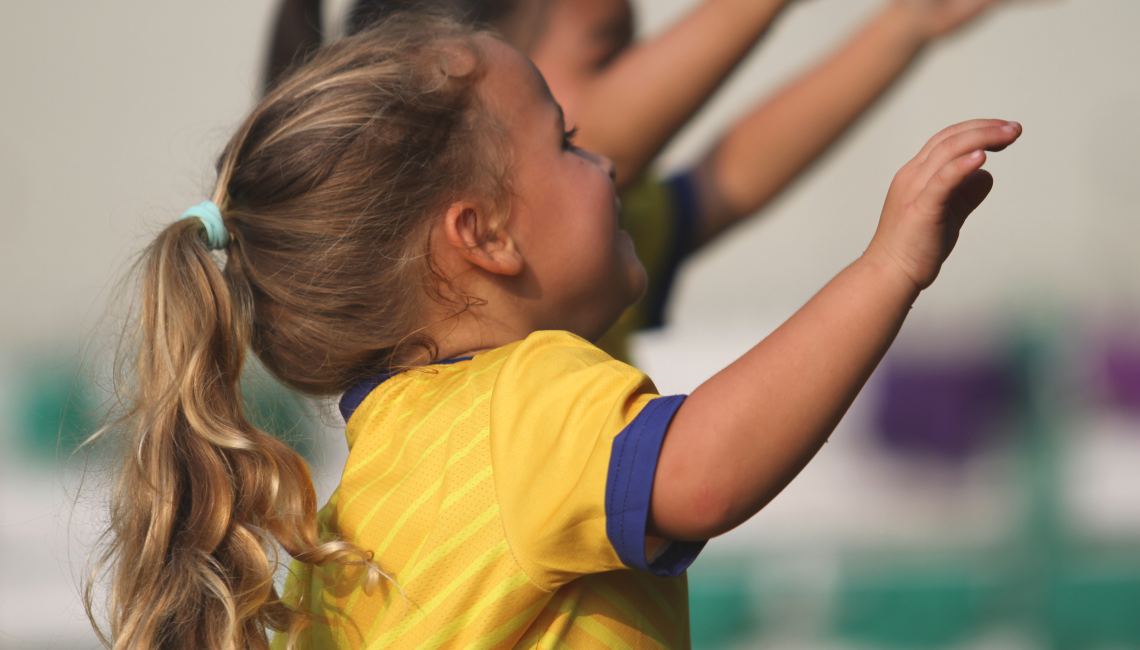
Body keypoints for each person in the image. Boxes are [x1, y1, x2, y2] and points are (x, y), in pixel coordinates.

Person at [90, 13, 1020, 649]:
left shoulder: (374, 493)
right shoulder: (520, 402)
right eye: (568, 140)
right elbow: (703, 473)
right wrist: (889, 267)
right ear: (485, 235)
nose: (610, 158)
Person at [265, 0, 1038, 362]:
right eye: (610, 55)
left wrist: (904, 26)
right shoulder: (507, 416)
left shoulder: (583, 248)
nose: (655, 86)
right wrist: (886, 270)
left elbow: (726, 179)